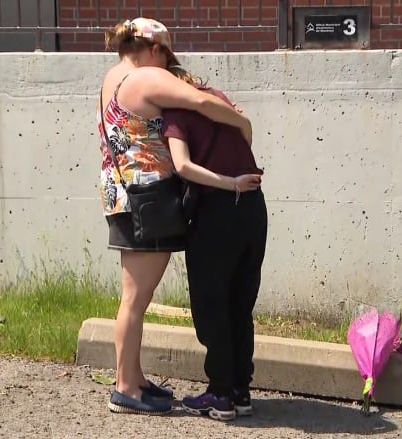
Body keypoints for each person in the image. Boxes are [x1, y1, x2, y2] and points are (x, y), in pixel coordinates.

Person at [96, 17, 252, 415]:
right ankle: (126, 387)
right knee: (135, 297)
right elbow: (199, 101)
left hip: (124, 193)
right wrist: (241, 119)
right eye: (166, 57)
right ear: (154, 51)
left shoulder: (114, 75)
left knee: (136, 296)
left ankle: (133, 378)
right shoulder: (145, 77)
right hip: (147, 198)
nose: (168, 66)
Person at [162, 66, 268, 421]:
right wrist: (239, 179)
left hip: (218, 209)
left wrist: (228, 181)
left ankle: (220, 394)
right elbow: (245, 131)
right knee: (241, 301)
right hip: (254, 206)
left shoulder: (175, 114)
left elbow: (182, 166)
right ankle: (241, 391)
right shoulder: (218, 98)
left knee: (211, 304)